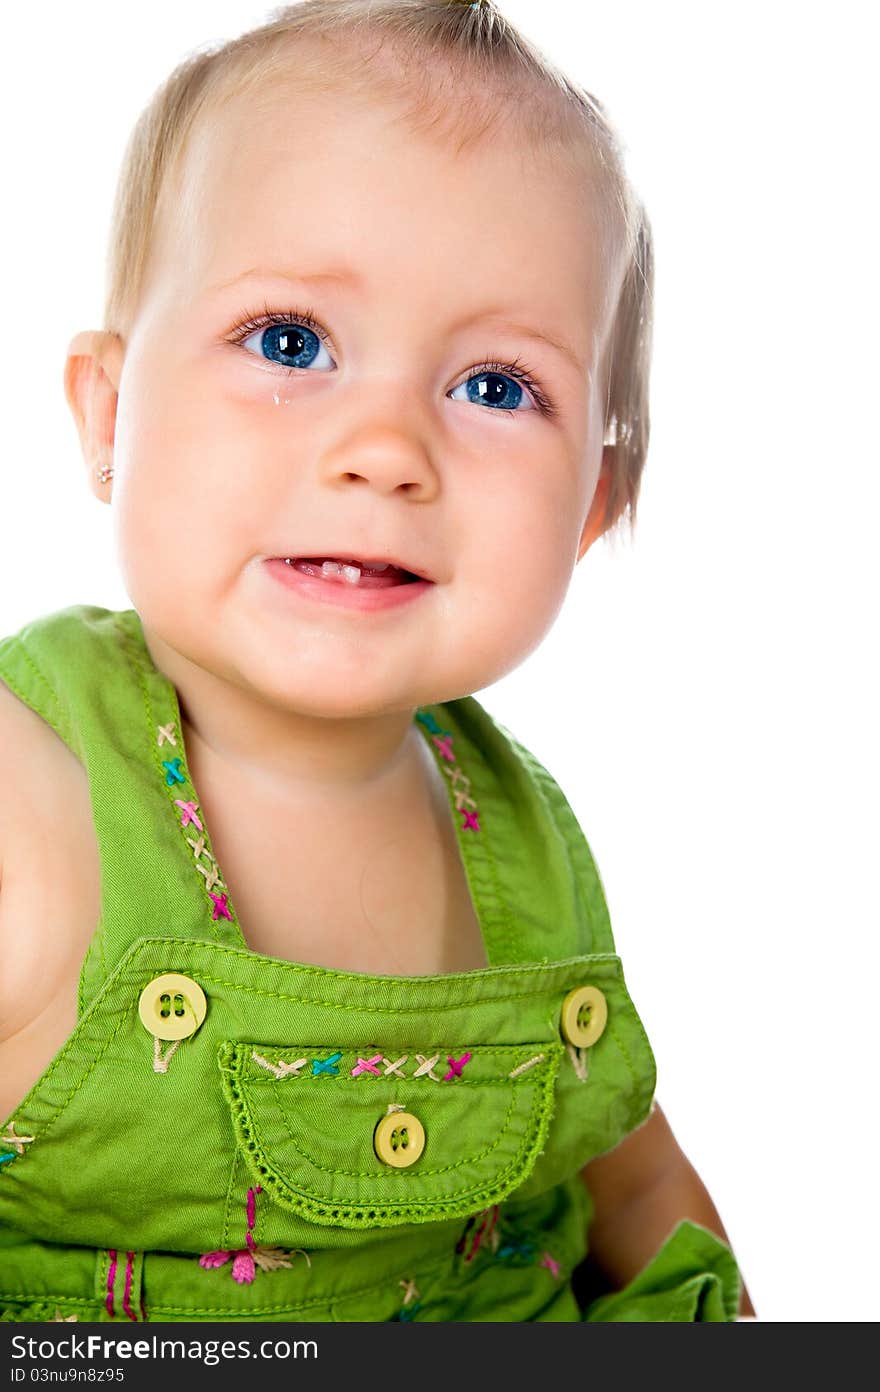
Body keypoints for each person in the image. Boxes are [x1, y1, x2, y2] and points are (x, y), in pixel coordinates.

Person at [0, 0, 754, 1322]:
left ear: (590, 510)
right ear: (110, 415)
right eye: (290, 343)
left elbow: (634, 1191)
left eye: (497, 387)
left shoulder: (526, 847)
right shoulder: (34, 797)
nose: (386, 448)